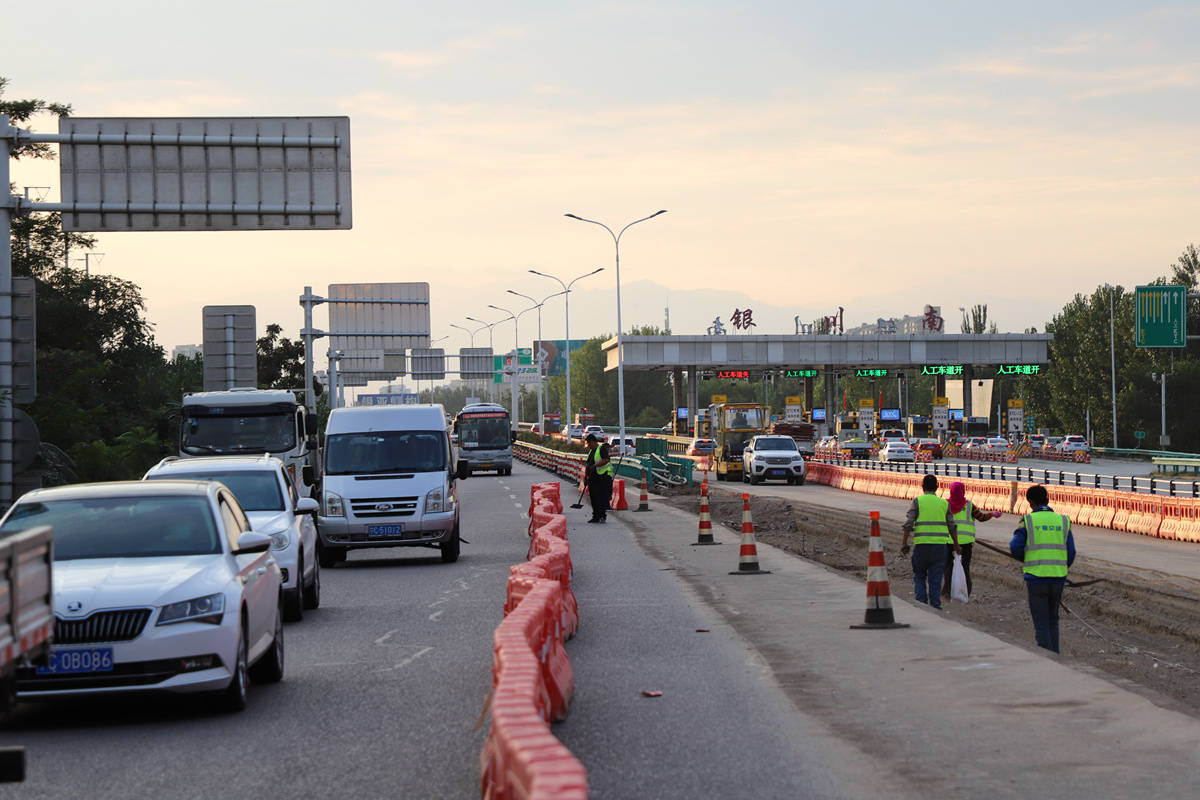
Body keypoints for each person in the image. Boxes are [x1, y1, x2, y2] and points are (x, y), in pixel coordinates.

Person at [1010, 484, 1076, 653]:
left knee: (1041, 622)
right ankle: (1056, 655)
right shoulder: (1063, 520)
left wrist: (1030, 558)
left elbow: (1015, 548)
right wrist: (1060, 568)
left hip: (1036, 578)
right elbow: (1071, 552)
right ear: (1048, 499)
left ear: (1030, 502)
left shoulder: (1027, 521)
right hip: (1058, 579)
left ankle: (1048, 659)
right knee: (1053, 620)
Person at [899, 474, 960, 610]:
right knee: (935, 579)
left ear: (922, 487)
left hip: (921, 547)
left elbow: (908, 524)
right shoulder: (944, 503)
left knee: (919, 576)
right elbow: (952, 526)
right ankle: (935, 607)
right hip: (939, 548)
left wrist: (904, 544)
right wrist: (956, 545)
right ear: (937, 487)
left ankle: (921, 605)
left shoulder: (917, 502)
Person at [941, 481, 1003, 599]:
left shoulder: (944, 504)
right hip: (966, 544)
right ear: (963, 491)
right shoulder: (969, 505)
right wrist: (992, 514)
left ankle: (946, 593)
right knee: (964, 569)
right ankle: (965, 593)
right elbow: (981, 518)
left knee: (948, 568)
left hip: (948, 542)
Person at [584, 433, 613, 523]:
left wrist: (595, 465)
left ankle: (602, 516)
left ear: (593, 442)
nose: (588, 445)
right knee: (593, 497)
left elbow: (606, 459)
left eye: (589, 443)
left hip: (603, 477)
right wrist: (586, 476)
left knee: (601, 497)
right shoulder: (591, 451)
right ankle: (595, 516)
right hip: (593, 478)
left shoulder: (601, 449)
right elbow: (588, 465)